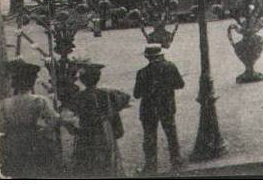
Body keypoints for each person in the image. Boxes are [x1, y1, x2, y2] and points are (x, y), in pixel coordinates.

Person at [0, 59, 63, 178]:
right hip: (33, 141)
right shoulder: (39, 100)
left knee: (16, 173)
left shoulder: (4, 103)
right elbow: (55, 119)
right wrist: (43, 131)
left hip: (12, 143)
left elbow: (1, 125)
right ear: (32, 82)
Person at [69, 62, 131, 176]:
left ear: (82, 80)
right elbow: (125, 99)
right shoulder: (106, 93)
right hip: (104, 128)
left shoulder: (80, 96)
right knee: (106, 153)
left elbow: (71, 112)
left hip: (86, 129)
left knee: (88, 155)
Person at [133, 45, 185, 173]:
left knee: (149, 137)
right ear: (161, 55)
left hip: (148, 108)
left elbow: (136, 94)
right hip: (166, 106)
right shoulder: (170, 67)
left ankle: (151, 165)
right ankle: (176, 161)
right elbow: (180, 84)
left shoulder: (142, 73)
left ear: (147, 57)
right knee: (171, 134)